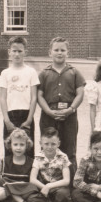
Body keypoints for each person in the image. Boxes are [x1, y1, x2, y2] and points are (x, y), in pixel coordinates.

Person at [37, 37, 86, 167]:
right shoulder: (44, 73)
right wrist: (48, 111)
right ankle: (46, 179)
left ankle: (70, 181)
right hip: (48, 115)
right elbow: (39, 95)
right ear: (50, 53)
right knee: (47, 147)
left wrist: (71, 109)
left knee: (69, 148)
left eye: (62, 50)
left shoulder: (74, 72)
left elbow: (80, 93)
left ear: (67, 53)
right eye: (56, 50)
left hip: (69, 115)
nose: (59, 53)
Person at [0, 36, 39, 147]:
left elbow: (34, 97)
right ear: (9, 52)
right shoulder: (5, 73)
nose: (17, 54)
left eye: (20, 51)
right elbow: (2, 98)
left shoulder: (31, 72)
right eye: (14, 51)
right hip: (10, 115)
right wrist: (6, 120)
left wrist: (30, 119)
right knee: (10, 147)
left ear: (25, 52)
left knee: (27, 147)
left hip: (26, 114)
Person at [28, 127, 73, 202]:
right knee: (30, 197)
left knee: (63, 194)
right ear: (41, 143)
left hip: (57, 188)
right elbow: (32, 179)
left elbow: (66, 180)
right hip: (42, 187)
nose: (49, 147)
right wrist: (45, 187)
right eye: (46, 144)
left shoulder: (63, 157)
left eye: (53, 144)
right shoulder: (38, 157)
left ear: (58, 144)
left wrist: (49, 186)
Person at [1, 128, 39, 202]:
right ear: (10, 145)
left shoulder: (32, 162)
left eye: (22, 145)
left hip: (24, 190)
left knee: (34, 192)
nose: (18, 148)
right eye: (15, 144)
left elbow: (31, 183)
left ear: (27, 145)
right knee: (3, 181)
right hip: (9, 189)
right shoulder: (4, 161)